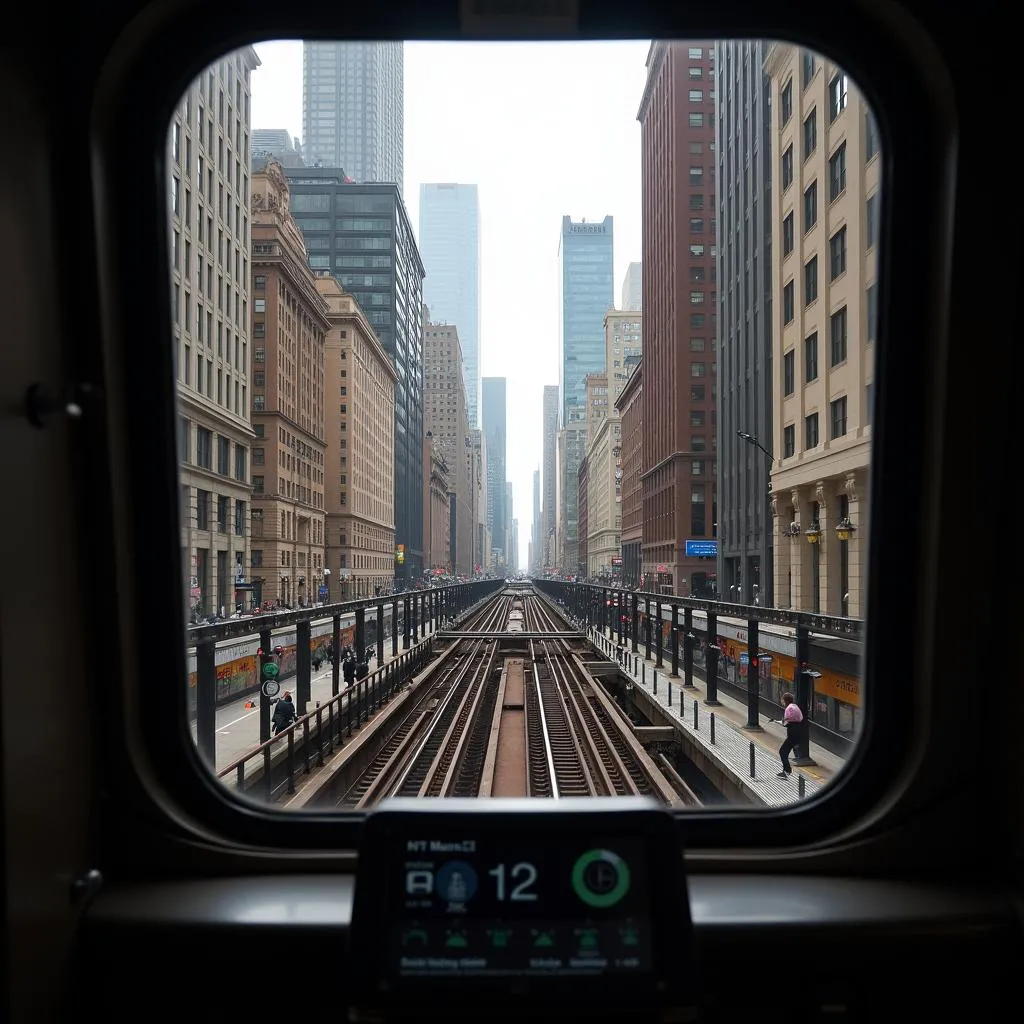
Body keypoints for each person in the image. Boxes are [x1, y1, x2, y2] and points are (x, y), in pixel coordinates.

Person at [773, 692, 805, 778]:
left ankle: (786, 771)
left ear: (785, 700)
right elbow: (793, 720)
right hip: (797, 732)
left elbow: (786, 722)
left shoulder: (789, 708)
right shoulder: (795, 706)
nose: (782, 701)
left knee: (782, 751)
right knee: (785, 751)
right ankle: (786, 770)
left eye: (782, 700)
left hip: (793, 734)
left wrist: (780, 722)